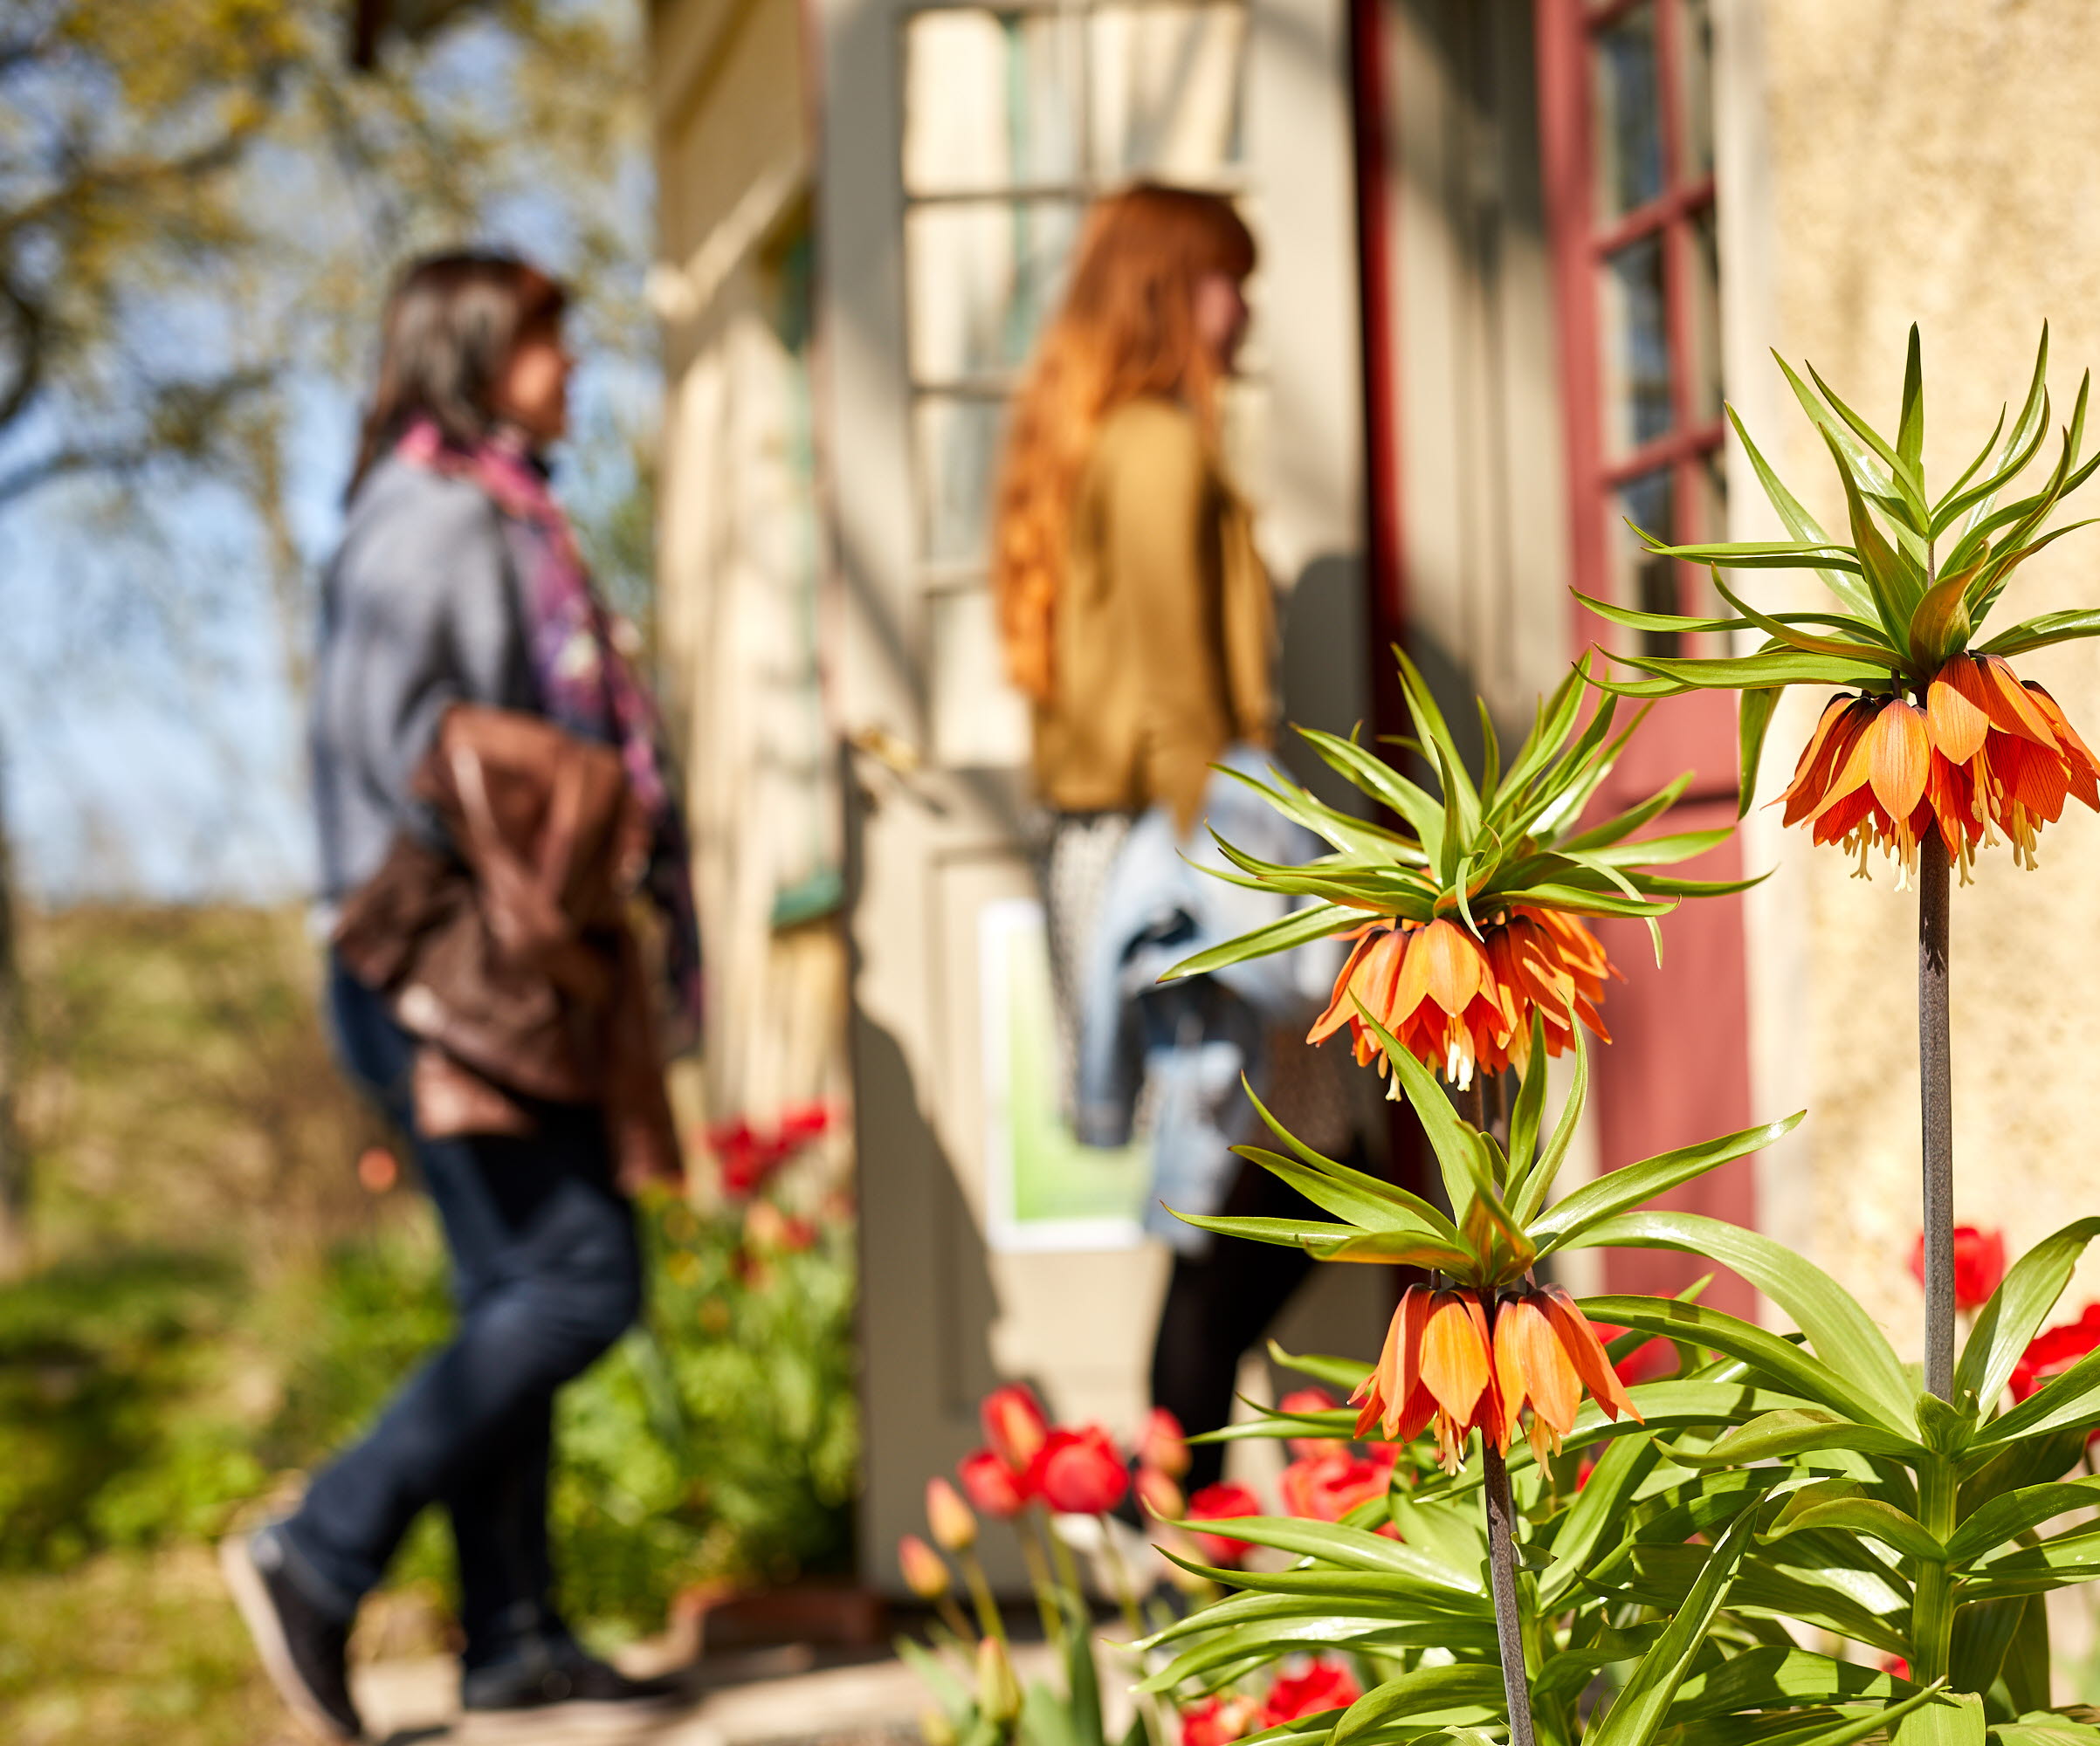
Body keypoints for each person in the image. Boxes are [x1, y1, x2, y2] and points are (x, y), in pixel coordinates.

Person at [220, 252, 698, 1736]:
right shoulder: (428, 523)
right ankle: (320, 1545)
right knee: (577, 1280)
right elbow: (397, 753)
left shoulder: (502, 513)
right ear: (475, 353)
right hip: (430, 968)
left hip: (483, 970)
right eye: (545, 345)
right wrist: (560, 832)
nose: (569, 369)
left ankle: (511, 1634)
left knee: (516, 1288)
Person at [993, 186, 1360, 1494]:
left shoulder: (1116, 441)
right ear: (1166, 289)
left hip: (1143, 849)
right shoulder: (1150, 446)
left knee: (1245, 1193)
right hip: (1190, 852)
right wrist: (1265, 884)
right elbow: (1176, 701)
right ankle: (1181, 1522)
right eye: (1225, 279)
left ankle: (1178, 1515)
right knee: (1266, 1192)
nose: (1244, 306)